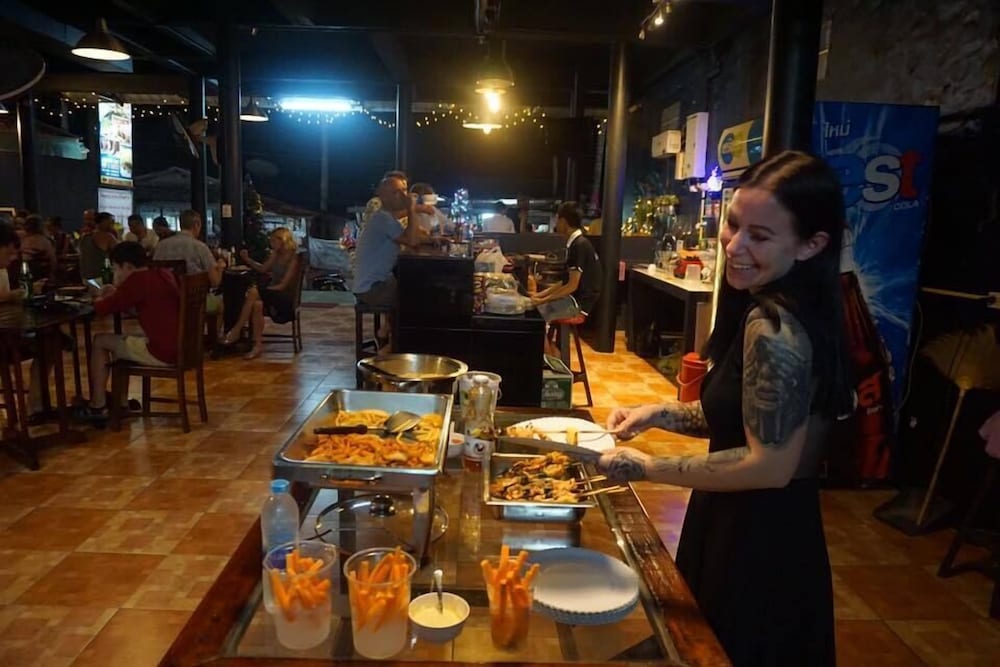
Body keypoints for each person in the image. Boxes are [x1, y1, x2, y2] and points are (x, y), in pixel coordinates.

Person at [597, 151, 853, 666]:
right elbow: (742, 419)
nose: (734, 246)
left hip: (760, 540)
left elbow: (770, 465)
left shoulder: (775, 327)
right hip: (740, 519)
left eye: (760, 236)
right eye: (733, 225)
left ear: (811, 244)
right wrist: (658, 413)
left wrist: (647, 468)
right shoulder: (779, 305)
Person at [76, 242, 180, 423]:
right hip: (182, 346)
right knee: (120, 345)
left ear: (128, 266)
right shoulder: (162, 273)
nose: (115, 273)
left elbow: (103, 308)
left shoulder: (137, 280)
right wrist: (118, 291)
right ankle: (121, 402)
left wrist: (100, 295)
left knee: (100, 340)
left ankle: (98, 405)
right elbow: (140, 301)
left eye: (116, 269)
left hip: (162, 351)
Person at [352, 174, 424, 343]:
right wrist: (412, 209)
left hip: (376, 284)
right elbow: (412, 241)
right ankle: (394, 344)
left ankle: (388, 335)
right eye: (396, 192)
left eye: (404, 190)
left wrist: (432, 239)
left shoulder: (386, 218)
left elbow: (408, 236)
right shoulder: (382, 218)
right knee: (417, 298)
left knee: (412, 290)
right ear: (383, 197)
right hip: (371, 289)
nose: (403, 196)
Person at [222, 228, 301, 360]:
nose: (271, 243)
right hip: (273, 294)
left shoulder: (294, 258)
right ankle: (257, 345)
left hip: (284, 298)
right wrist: (247, 259)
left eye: (273, 240)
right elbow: (263, 269)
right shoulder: (276, 254)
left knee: (254, 292)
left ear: (283, 240)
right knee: (257, 304)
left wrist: (264, 291)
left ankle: (236, 330)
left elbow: (283, 285)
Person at [531, 202, 602, 325]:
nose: (556, 224)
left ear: (563, 221)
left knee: (537, 312)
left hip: (578, 304)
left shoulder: (579, 245)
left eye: (557, 220)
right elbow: (564, 282)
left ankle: (545, 338)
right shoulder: (578, 242)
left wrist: (542, 301)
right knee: (536, 308)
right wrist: (539, 295)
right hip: (574, 298)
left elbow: (572, 286)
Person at [153, 209, 225, 316]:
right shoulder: (199, 247)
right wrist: (221, 267)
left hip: (164, 300)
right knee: (222, 303)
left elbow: (154, 273)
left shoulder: (161, 246)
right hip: (194, 302)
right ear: (197, 225)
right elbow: (215, 282)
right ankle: (204, 327)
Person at [78, 211, 118, 280]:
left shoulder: (84, 236)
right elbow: (120, 253)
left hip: (85, 277)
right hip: (100, 277)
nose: (113, 225)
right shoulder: (108, 236)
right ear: (104, 222)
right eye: (111, 222)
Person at [20, 214, 57, 281]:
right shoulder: (45, 241)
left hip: (26, 275)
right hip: (40, 276)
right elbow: (53, 261)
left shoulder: (23, 240)